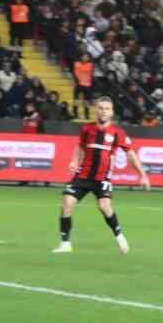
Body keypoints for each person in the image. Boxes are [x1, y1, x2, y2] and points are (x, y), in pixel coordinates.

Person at [55, 96, 149, 254]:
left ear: (111, 112)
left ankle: (119, 236)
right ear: (95, 110)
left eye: (107, 109)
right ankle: (65, 244)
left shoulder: (117, 132)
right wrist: (73, 161)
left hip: (102, 177)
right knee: (67, 202)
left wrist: (143, 175)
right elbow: (80, 146)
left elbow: (131, 154)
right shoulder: (87, 129)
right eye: (100, 108)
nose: (103, 111)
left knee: (104, 207)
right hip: (83, 174)